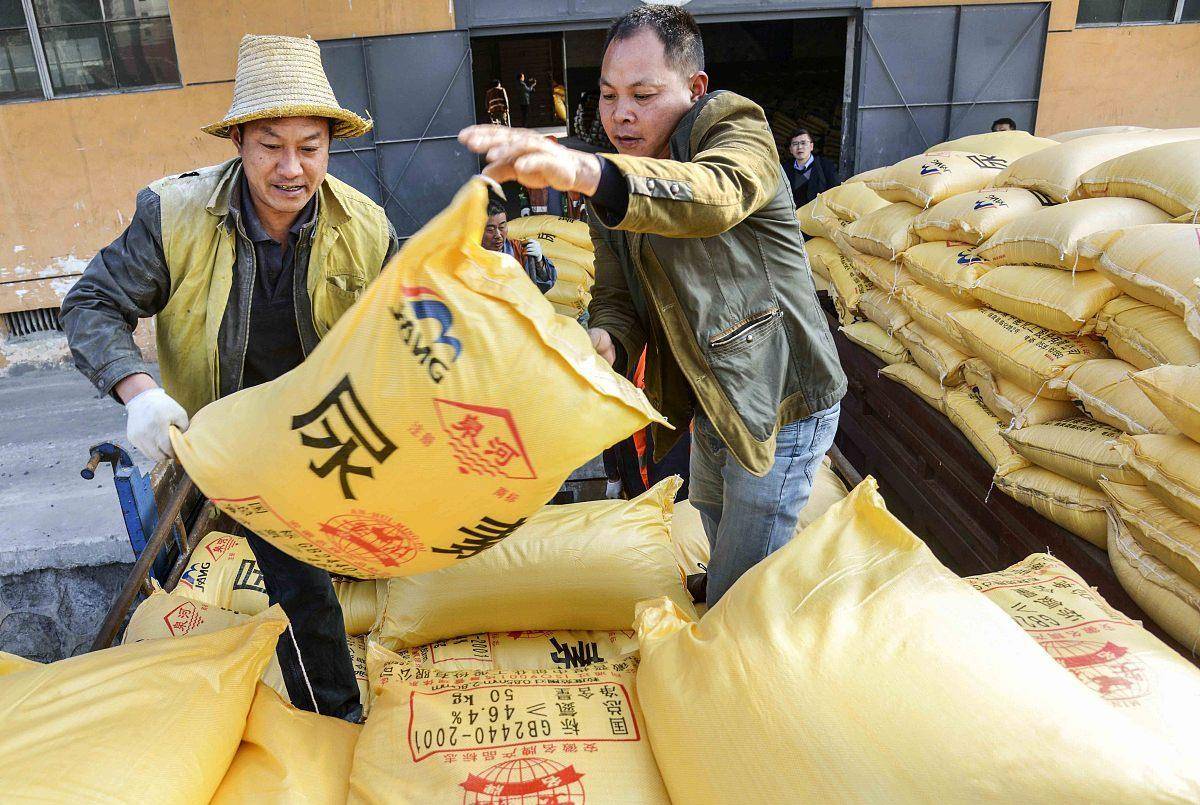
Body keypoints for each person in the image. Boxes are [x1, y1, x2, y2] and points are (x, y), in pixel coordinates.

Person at [459, 4, 845, 607]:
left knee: (746, 580)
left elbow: (716, 195)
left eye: (642, 95)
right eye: (608, 95)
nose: (621, 114)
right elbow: (617, 298)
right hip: (713, 396)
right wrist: (606, 340)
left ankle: (743, 629)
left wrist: (592, 174)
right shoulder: (614, 186)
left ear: (695, 88)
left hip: (780, 396)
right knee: (712, 510)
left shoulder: (731, 126)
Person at [60, 34, 398, 722]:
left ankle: (327, 717)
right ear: (238, 141)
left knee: (318, 585)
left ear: (330, 146)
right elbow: (92, 303)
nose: (291, 168)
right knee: (237, 589)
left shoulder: (365, 230)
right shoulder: (175, 216)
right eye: (270, 145)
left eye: (309, 146)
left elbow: (402, 337)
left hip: (316, 440)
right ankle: (323, 718)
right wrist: (139, 392)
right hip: (213, 439)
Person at [481, 200, 557, 294]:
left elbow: (543, 285)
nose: (498, 235)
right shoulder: (469, 255)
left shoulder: (519, 250)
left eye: (502, 227)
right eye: (490, 229)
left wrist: (539, 261)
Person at [783, 128, 839, 208]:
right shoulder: (785, 170)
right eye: (795, 144)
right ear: (790, 149)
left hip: (818, 212)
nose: (799, 147)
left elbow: (834, 193)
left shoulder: (825, 166)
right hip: (793, 213)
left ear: (811, 146)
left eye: (803, 143)